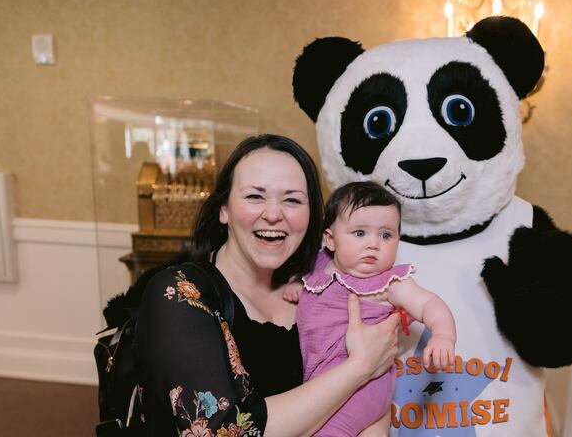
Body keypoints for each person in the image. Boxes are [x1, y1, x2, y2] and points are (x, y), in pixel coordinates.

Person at [133, 135, 401, 437]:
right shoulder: (180, 293)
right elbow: (224, 431)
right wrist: (360, 367)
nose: (273, 215)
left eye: (292, 200)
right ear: (224, 209)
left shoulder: (319, 287)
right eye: (254, 197)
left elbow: (371, 406)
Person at [284, 181, 457, 436]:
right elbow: (314, 293)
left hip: (362, 388)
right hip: (329, 383)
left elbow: (430, 303)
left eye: (386, 235)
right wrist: (300, 288)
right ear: (330, 240)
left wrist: (443, 335)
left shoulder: (389, 284)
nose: (373, 244)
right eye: (360, 233)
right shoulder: (319, 267)